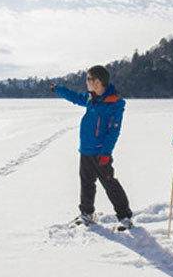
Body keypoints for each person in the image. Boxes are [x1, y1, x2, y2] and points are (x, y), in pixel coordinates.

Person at [51, 65, 133, 231]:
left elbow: (113, 131)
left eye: (88, 79)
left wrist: (106, 152)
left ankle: (125, 217)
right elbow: (75, 97)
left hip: (101, 153)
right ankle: (87, 214)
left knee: (110, 184)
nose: (86, 83)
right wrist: (59, 89)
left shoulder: (115, 104)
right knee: (86, 183)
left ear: (97, 82)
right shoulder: (91, 99)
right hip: (86, 150)